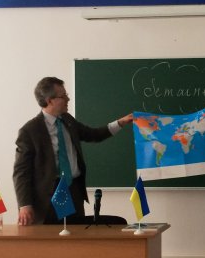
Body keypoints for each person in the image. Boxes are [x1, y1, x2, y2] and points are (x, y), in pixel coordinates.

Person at [13, 76, 133, 225]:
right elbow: (21, 172)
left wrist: (121, 122)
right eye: (63, 96)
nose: (68, 99)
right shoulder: (29, 131)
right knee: (52, 237)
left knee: (76, 234)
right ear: (50, 100)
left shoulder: (67, 120)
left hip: (74, 190)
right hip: (49, 196)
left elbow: (93, 135)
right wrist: (24, 205)